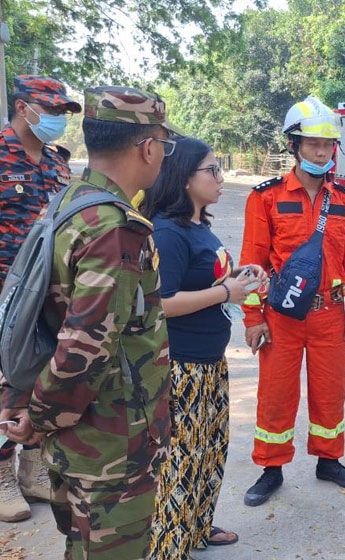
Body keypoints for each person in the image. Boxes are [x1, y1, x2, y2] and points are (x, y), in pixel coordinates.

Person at [0, 85, 176, 559]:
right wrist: (37, 419)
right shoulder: (114, 226)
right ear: (148, 147)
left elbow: (28, 312)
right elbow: (85, 346)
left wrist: (22, 401)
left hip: (82, 441)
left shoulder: (67, 201)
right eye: (163, 143)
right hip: (110, 444)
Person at [240, 96, 345, 507]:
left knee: (330, 393)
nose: (322, 151)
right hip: (281, 316)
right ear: (293, 145)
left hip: (330, 315)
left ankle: (329, 460)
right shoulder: (266, 198)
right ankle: (271, 468)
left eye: (329, 144)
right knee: (276, 395)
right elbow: (253, 264)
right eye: (313, 143)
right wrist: (252, 318)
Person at [140, 137, 260, 556]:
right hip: (182, 366)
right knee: (181, 464)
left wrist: (239, 279)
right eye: (212, 169)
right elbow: (162, 305)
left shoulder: (198, 227)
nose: (220, 177)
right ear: (186, 179)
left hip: (210, 363)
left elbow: (206, 282)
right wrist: (226, 294)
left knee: (209, 453)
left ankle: (195, 527)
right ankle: (169, 546)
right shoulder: (169, 232)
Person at [0, 75, 80, 522]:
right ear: (21, 106)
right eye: (49, 110)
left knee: (37, 378)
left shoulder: (57, 163)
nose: (56, 119)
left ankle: (32, 468)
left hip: (47, 298)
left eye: (62, 113)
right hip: (4, 298)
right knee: (3, 383)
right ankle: (2, 479)